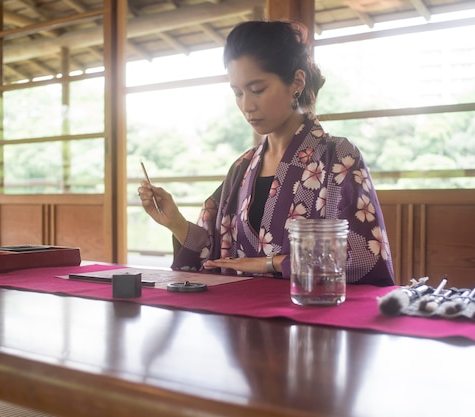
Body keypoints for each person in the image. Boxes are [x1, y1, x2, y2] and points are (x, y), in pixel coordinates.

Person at [138, 20, 394, 286]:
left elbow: (363, 257)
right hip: (240, 320)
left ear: (296, 82)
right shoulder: (242, 167)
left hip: (309, 317)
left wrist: (270, 263)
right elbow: (213, 253)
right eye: (237, 93)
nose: (247, 105)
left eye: (257, 90)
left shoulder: (338, 157)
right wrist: (175, 221)